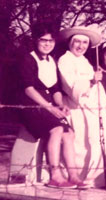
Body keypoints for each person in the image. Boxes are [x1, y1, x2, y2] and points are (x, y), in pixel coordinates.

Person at [57, 26, 106, 188]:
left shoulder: (85, 62)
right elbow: (70, 88)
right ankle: (90, 177)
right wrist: (91, 81)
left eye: (84, 42)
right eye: (77, 41)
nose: (81, 46)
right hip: (77, 106)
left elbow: (99, 91)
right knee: (93, 137)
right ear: (70, 42)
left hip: (95, 106)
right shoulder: (65, 60)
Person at [17, 23, 84, 188]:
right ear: (36, 40)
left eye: (51, 41)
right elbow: (28, 89)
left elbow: (55, 88)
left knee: (69, 133)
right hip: (32, 106)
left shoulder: (51, 61)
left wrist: (60, 105)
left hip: (49, 106)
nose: (47, 44)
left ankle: (73, 175)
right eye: (44, 40)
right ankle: (55, 175)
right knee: (57, 129)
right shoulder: (28, 59)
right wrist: (49, 107)